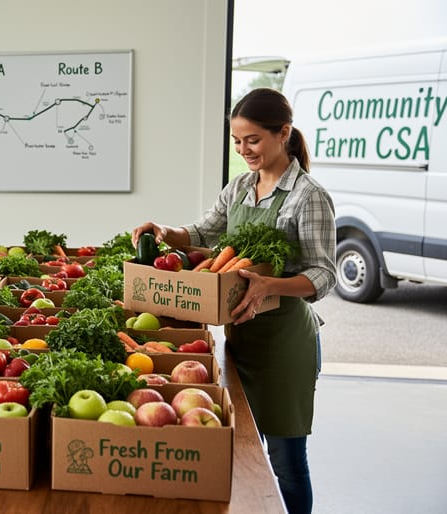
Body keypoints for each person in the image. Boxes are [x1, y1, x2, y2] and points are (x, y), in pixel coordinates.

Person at [132, 88, 335, 514]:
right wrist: (165, 231)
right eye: (237, 142)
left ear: (283, 133)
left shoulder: (308, 195)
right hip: (241, 340)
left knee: (286, 461)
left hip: (285, 346)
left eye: (253, 140)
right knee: (245, 453)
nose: (244, 150)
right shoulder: (241, 186)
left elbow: (324, 273)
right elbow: (205, 232)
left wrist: (270, 286)